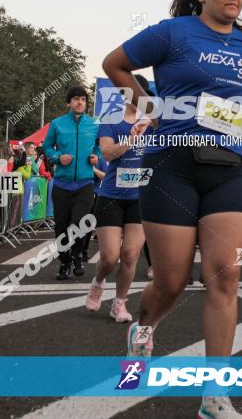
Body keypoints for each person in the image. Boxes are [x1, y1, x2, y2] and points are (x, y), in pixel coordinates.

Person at [102, 0, 242, 419]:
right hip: (172, 166)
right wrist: (146, 104)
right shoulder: (172, 32)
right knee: (172, 280)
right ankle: (143, 328)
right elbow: (114, 64)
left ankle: (213, 396)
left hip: (228, 167)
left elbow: (237, 101)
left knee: (226, 275)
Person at [85, 75, 154, 323]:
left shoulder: (156, 124)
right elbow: (107, 152)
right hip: (112, 194)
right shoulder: (111, 122)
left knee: (131, 255)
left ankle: (119, 304)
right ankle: (98, 282)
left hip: (141, 197)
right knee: (110, 256)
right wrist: (132, 138)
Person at [42, 86, 100, 280]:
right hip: (62, 184)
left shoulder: (93, 124)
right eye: (75, 99)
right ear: (69, 103)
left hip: (84, 183)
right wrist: (58, 158)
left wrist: (96, 157)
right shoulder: (57, 124)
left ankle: (77, 256)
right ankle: (64, 261)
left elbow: (99, 146)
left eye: (83, 99)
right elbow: (47, 146)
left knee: (80, 222)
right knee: (61, 226)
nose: (80, 102)